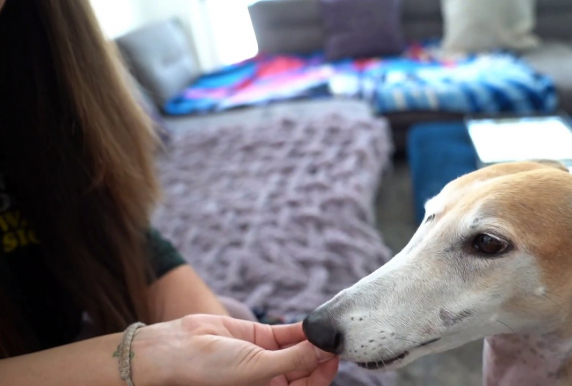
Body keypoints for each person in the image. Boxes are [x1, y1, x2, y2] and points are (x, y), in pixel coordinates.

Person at [0, 0, 339, 384]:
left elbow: (119, 233)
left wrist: (201, 339)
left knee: (236, 321)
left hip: (66, 338)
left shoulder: (37, 67)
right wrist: (147, 356)